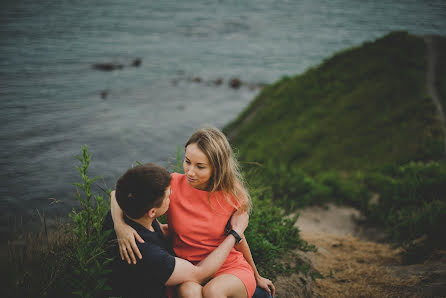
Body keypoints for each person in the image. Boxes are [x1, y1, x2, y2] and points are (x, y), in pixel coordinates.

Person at [111, 127, 275, 297]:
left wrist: (257, 276)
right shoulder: (172, 184)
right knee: (190, 293)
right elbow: (118, 193)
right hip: (187, 269)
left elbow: (239, 238)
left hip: (228, 267)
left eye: (200, 167)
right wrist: (120, 226)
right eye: (188, 161)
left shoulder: (232, 194)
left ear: (217, 168)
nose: (190, 172)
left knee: (214, 291)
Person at [103, 162, 250, 298]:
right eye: (168, 196)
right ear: (152, 212)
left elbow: (115, 194)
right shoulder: (149, 254)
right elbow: (199, 274)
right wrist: (235, 233)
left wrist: (119, 225)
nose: (172, 195)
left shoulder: (128, 211)